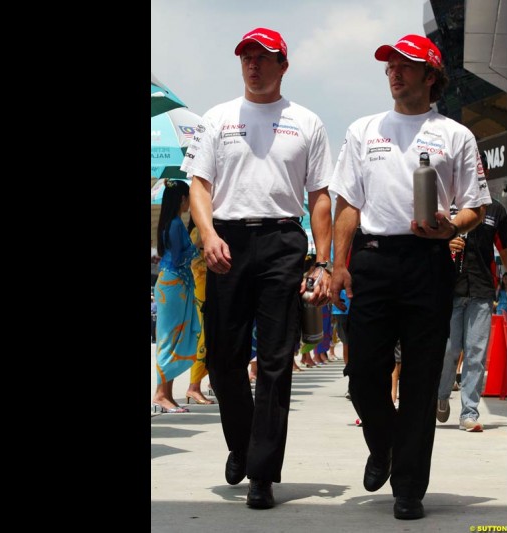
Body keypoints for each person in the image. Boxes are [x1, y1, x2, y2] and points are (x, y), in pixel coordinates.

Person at [329, 34, 491, 520]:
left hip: (428, 261)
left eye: (406, 65)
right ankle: (383, 446)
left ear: (430, 75)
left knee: (421, 379)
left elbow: (476, 208)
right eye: (390, 66)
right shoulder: (363, 130)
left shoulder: (455, 135)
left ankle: (409, 489)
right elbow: (348, 204)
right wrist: (339, 264)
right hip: (373, 260)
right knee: (363, 376)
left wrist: (450, 226)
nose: (394, 73)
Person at [180, 27, 334, 510]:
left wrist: (323, 261)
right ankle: (242, 444)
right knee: (224, 358)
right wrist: (207, 235)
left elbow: (320, 196)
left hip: (283, 241)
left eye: (264, 58)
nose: (253, 64)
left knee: (273, 361)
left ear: (283, 66)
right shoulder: (218, 118)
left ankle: (262, 474)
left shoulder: (306, 122)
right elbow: (199, 186)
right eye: (247, 56)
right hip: (227, 239)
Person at [435, 154, 507, 432]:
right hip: (447, 289)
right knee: (447, 352)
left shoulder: (496, 211)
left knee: (476, 354)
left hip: (481, 290)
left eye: (481, 172)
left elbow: (505, 249)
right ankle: (441, 396)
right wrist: (445, 242)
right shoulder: (443, 206)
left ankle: (469, 413)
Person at [152, 179, 201, 413]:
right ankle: (161, 394)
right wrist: (198, 244)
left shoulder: (171, 223)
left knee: (173, 337)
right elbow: (182, 257)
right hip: (174, 285)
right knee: (169, 339)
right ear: (182, 199)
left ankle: (167, 395)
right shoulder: (174, 224)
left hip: (174, 284)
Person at [185, 219, 215, 405]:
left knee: (214, 338)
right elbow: (194, 263)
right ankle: (194, 386)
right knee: (203, 339)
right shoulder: (198, 232)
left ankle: (212, 382)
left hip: (211, 289)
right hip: (202, 290)